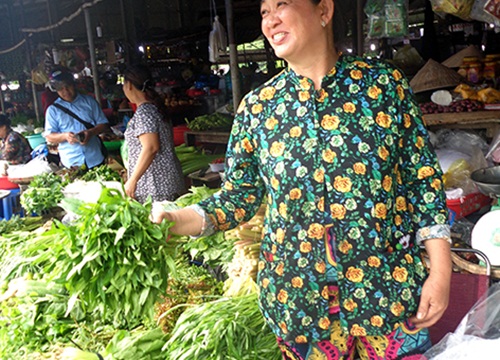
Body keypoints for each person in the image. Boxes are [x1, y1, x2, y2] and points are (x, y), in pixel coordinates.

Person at [153, 1, 452, 359]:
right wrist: (174, 220)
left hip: (385, 291)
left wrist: (441, 271)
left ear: (323, 10)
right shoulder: (258, 108)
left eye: (282, 4)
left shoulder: (384, 88)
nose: (270, 20)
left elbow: (422, 180)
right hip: (301, 304)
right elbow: (236, 198)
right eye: (264, 12)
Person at [122, 64, 185, 203]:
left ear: (129, 85)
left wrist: (133, 180)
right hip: (167, 182)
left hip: (155, 187)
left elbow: (151, 147)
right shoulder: (155, 108)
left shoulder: (145, 112)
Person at [44, 68, 109, 169]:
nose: (65, 90)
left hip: (95, 158)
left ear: (73, 84)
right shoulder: (53, 110)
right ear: (55, 89)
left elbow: (104, 125)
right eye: (60, 88)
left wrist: (90, 132)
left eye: (67, 86)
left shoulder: (90, 102)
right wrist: (65, 136)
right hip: (71, 162)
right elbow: (49, 136)